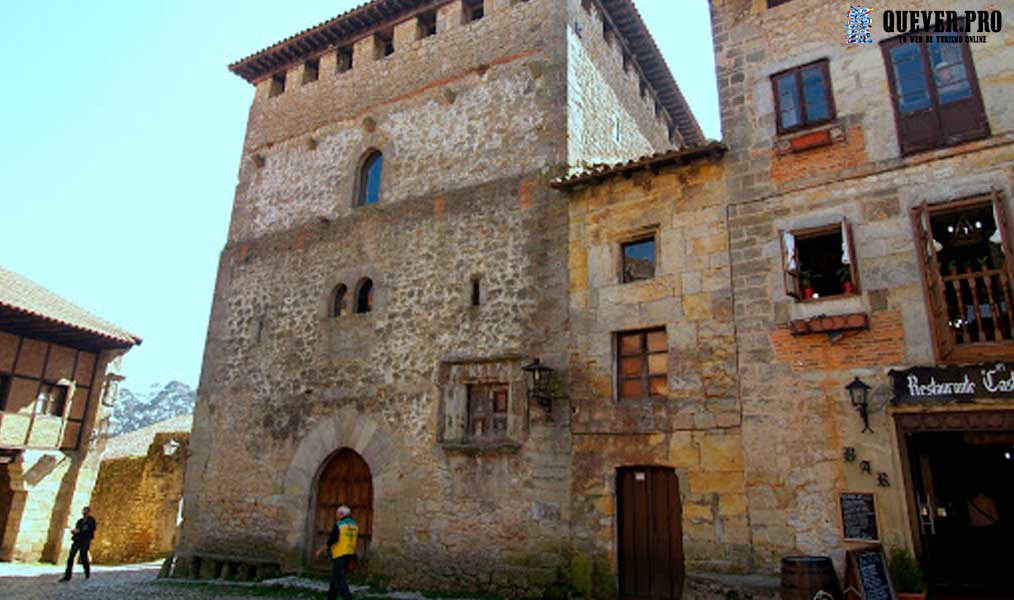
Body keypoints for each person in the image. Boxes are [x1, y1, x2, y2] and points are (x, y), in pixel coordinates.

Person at [316, 505, 359, 600]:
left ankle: (348, 598)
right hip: (349, 554)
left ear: (342, 514)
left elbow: (333, 540)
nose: (336, 516)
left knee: (340, 581)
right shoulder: (354, 525)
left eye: (337, 513)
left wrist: (321, 549)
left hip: (339, 554)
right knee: (334, 579)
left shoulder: (339, 525)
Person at [60, 506, 97, 582]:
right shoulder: (80, 521)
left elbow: (90, 529)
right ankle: (67, 575)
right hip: (77, 540)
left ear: (89, 512)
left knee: (83, 556)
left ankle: (87, 573)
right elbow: (78, 528)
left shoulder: (91, 521)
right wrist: (75, 531)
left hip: (85, 540)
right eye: (83, 511)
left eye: (86, 512)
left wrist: (80, 531)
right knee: (71, 557)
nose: (84, 513)